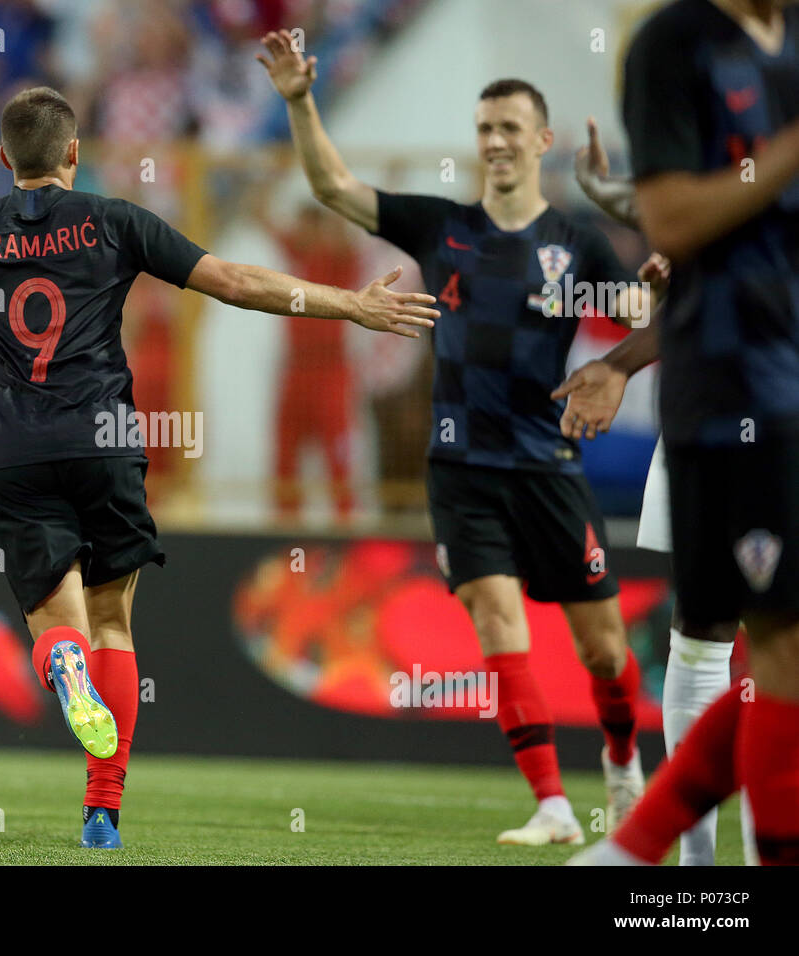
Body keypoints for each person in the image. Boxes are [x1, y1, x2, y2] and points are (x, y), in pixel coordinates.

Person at [0, 85, 438, 849]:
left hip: (11, 450)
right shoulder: (115, 223)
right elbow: (235, 283)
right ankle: (102, 813)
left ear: (4, 159)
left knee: (56, 623)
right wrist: (350, 305)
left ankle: (63, 666)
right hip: (104, 442)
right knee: (113, 622)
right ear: (75, 153)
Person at [260, 29, 658, 845]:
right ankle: (551, 805)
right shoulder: (442, 225)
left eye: (511, 127)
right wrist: (302, 102)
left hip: (546, 461)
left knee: (607, 649)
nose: (496, 142)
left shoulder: (577, 244)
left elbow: (647, 317)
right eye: (485, 129)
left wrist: (647, 292)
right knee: (496, 623)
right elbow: (334, 187)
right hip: (460, 464)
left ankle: (622, 763)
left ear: (542, 141)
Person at [571, 0, 799, 866]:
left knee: (781, 654)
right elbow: (682, 218)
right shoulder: (677, 42)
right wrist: (626, 360)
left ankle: (633, 852)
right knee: (729, 637)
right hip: (741, 389)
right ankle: (688, 866)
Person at [554, 117, 756, 865]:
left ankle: (656, 851)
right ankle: (696, 868)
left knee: (761, 650)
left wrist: (621, 364)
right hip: (713, 408)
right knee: (704, 638)